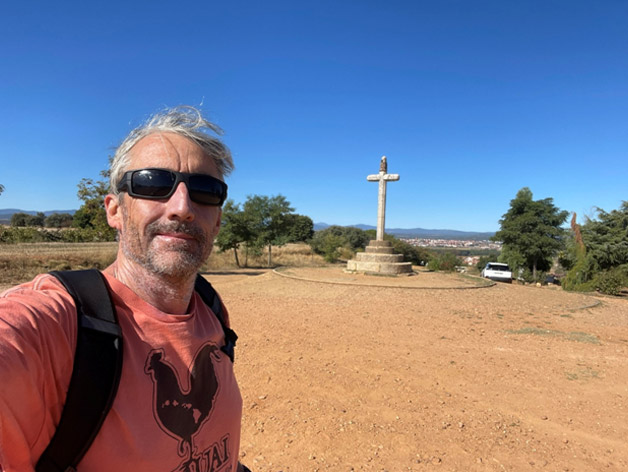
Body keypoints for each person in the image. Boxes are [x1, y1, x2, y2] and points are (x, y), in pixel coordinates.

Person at [0, 106, 249, 472]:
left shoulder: (210, 307)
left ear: (218, 221)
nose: (183, 207)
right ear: (114, 210)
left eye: (205, 191)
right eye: (152, 183)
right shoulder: (61, 326)